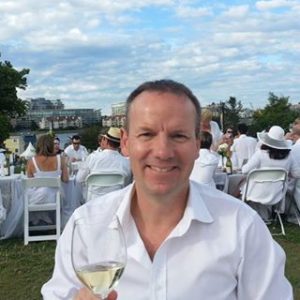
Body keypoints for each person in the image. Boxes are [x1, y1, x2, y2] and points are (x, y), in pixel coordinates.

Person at [42, 80, 293, 300]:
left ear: (197, 144)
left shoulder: (241, 226)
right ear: (126, 144)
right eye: (147, 134)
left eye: (179, 136)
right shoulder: (84, 227)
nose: (162, 152)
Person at [241, 125, 298, 221]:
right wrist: (287, 173)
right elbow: (297, 174)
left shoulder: (260, 154)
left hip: (256, 192)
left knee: (240, 185)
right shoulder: (289, 156)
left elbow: (244, 170)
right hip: (277, 193)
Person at [77, 127, 132, 200]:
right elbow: (127, 185)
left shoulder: (93, 158)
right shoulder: (126, 163)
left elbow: (79, 179)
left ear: (106, 141)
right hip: (116, 203)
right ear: (120, 144)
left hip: (93, 203)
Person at [26, 134, 69, 225]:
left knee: (38, 194)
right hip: (56, 198)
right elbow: (65, 179)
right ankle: (45, 220)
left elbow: (30, 182)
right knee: (47, 193)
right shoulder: (60, 159)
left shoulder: (31, 161)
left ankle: (39, 220)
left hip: (36, 200)